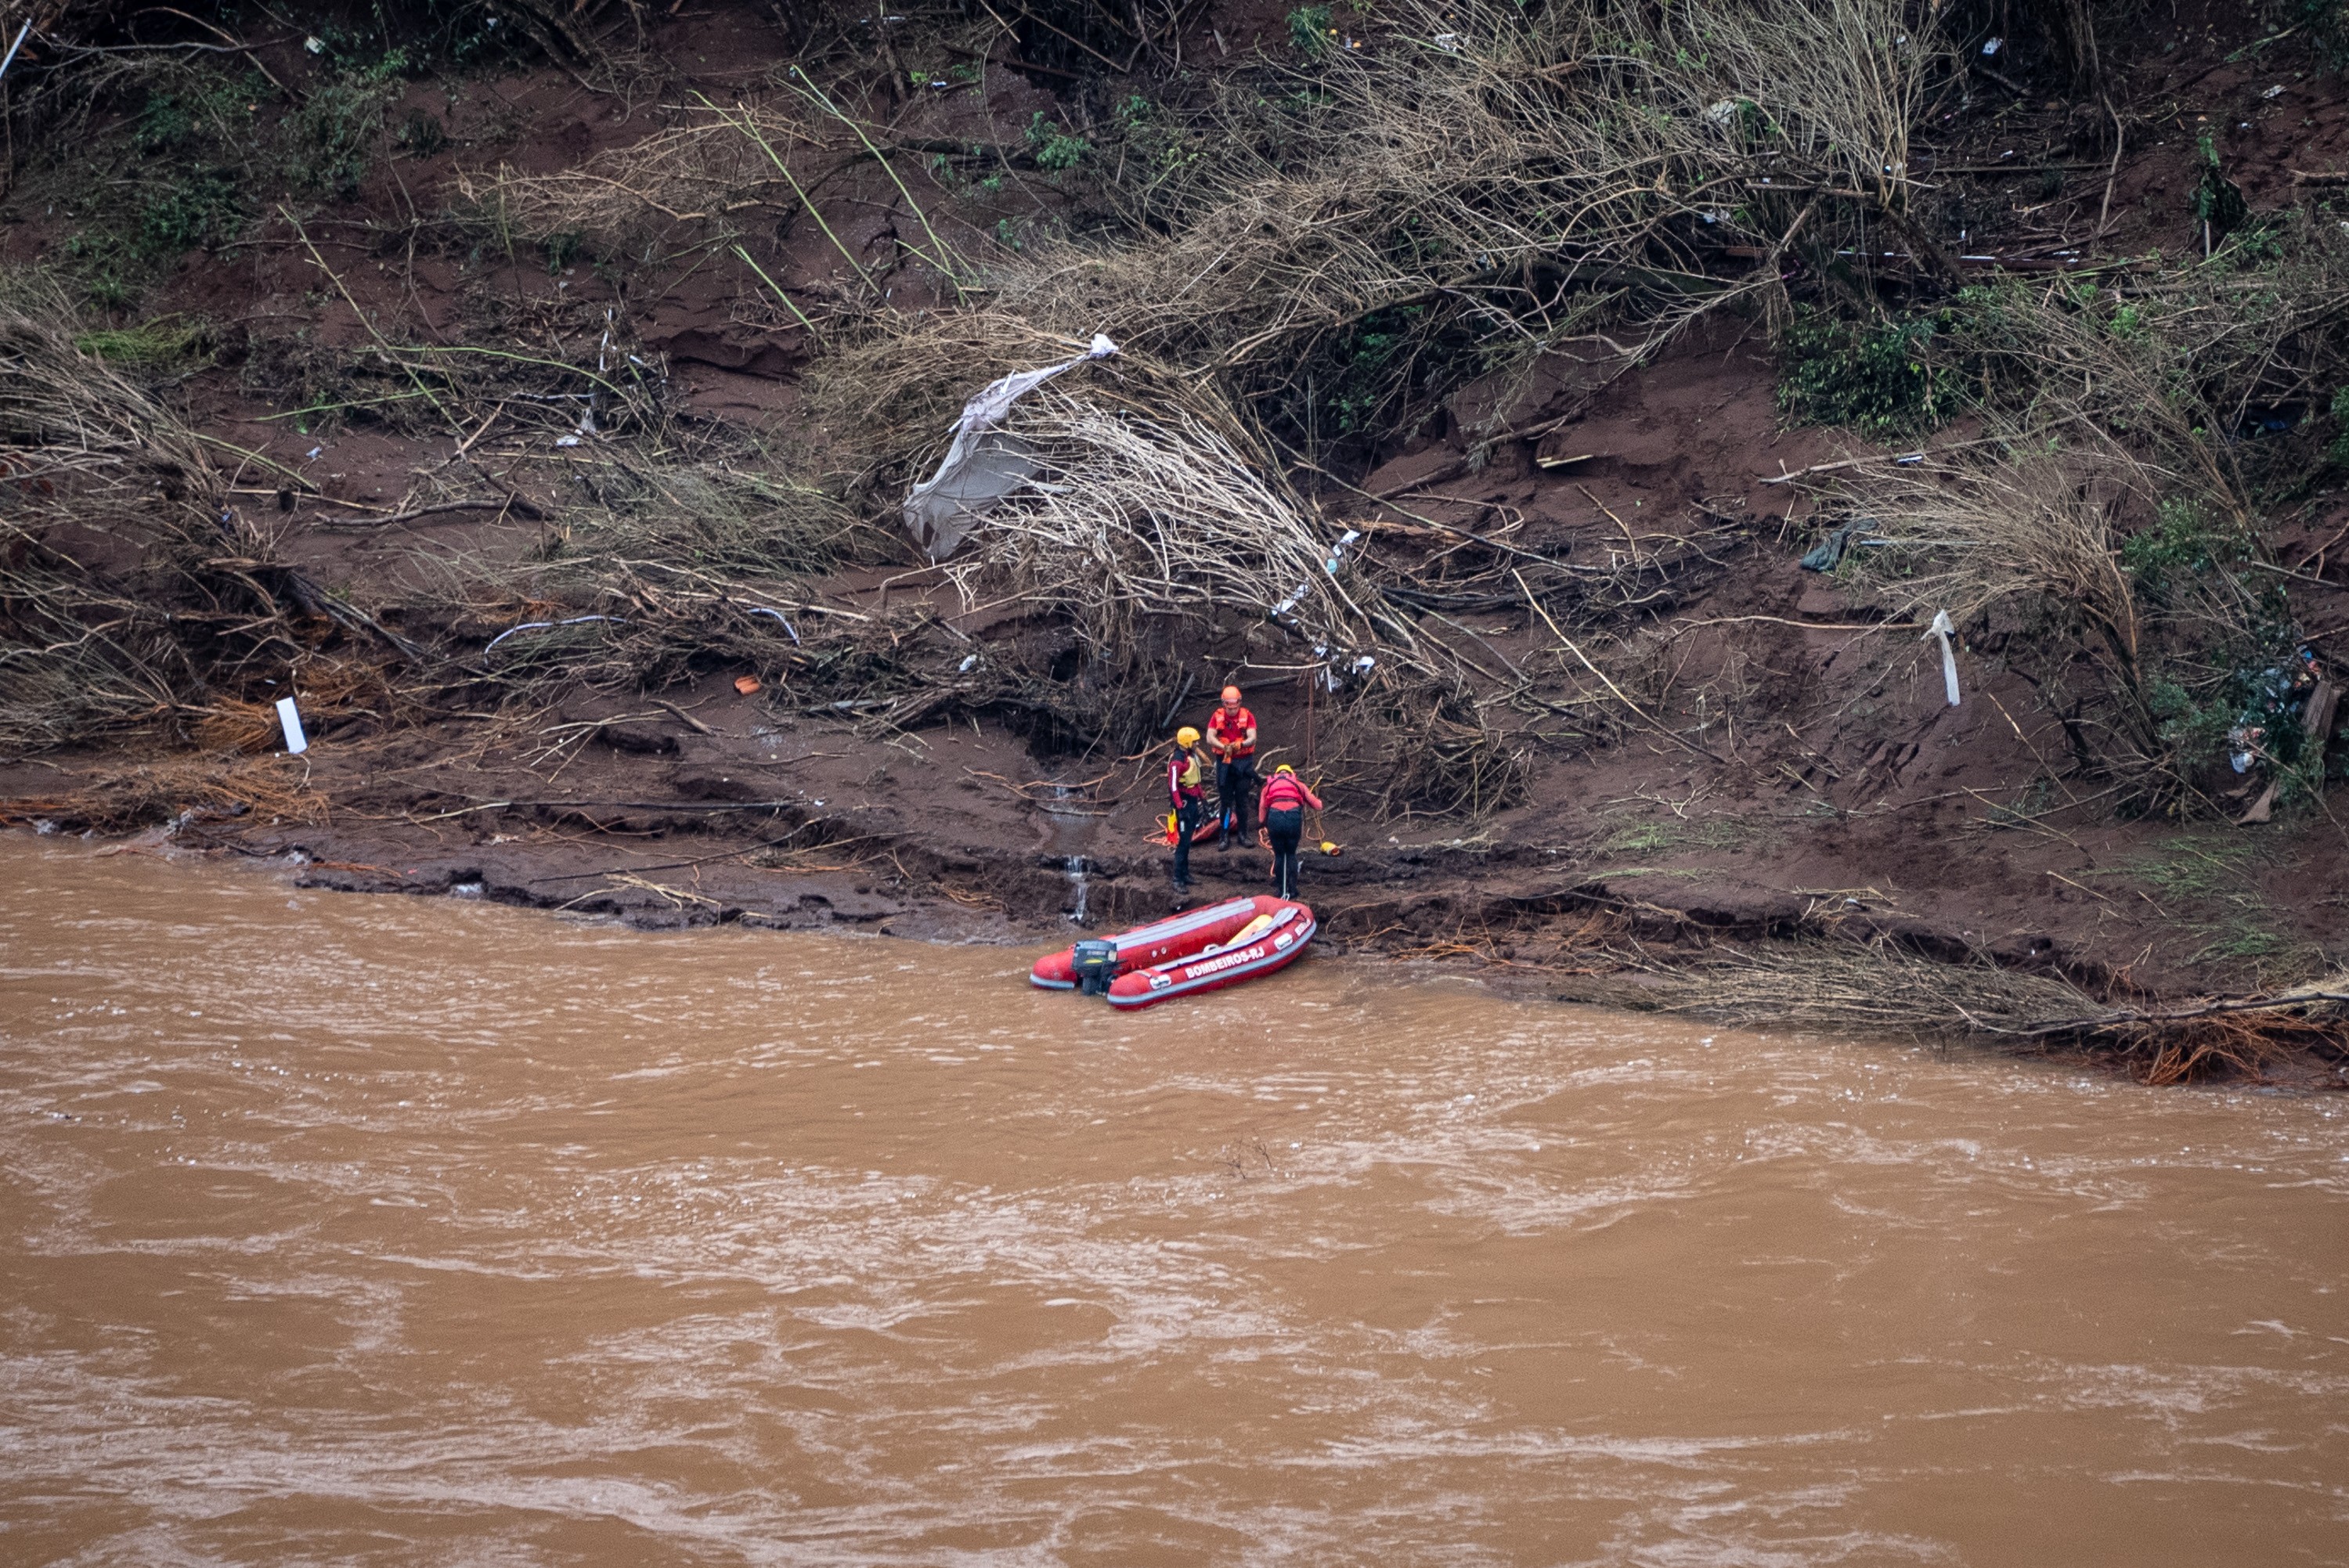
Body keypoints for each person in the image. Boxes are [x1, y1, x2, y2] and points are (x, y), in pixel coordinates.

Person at [1256, 763, 1324, 900]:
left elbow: (1262, 816)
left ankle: (1281, 890)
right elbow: (1318, 806)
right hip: (1293, 819)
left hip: (1275, 820)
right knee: (1291, 854)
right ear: (1291, 774)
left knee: (1280, 855)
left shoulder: (1268, 787)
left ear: (1277, 774)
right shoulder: (1299, 785)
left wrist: (1264, 823)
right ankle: (1293, 890)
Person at [1205, 683, 1258, 850]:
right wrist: (1223, 747)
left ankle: (1243, 835)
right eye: (1229, 708)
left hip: (1243, 763)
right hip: (1225, 763)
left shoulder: (1248, 716)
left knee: (1242, 801)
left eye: (1235, 708)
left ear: (1239, 704)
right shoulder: (1217, 716)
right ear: (1224, 705)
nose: (1232, 711)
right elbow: (1210, 737)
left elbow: (1252, 737)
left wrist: (1240, 745)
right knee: (1226, 802)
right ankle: (1224, 836)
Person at [1166, 725, 1211, 891]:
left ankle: (1185, 874)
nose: (1197, 745)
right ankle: (1177, 879)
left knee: (1188, 841)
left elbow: (1196, 782)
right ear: (1187, 742)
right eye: (1195, 742)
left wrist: (1203, 800)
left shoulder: (1190, 757)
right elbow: (1173, 787)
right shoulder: (1177, 761)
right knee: (1183, 843)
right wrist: (1180, 806)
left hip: (1192, 802)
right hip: (1183, 804)